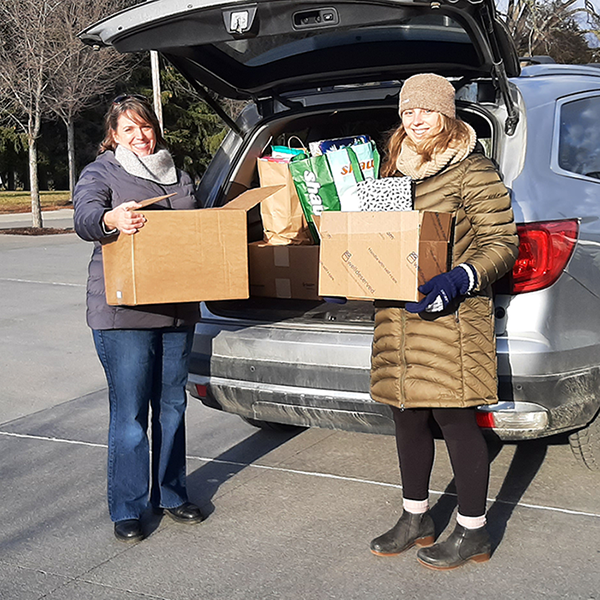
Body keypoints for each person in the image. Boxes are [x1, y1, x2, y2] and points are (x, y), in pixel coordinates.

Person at [369, 74, 519, 570]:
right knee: (406, 416)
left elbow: (503, 242)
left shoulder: (472, 171)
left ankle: (473, 530)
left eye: (425, 111)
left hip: (451, 320)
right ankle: (417, 517)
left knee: (455, 420)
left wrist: (461, 277)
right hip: (397, 319)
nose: (415, 121)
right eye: (408, 112)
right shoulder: (392, 171)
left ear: (447, 114)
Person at [73, 94, 204, 542]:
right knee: (129, 414)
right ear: (113, 136)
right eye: (128, 129)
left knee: (172, 406)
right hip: (122, 312)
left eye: (145, 126)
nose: (140, 136)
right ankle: (128, 506)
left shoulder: (181, 175)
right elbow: (86, 215)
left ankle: (170, 493)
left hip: (177, 311)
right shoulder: (102, 172)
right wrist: (110, 217)